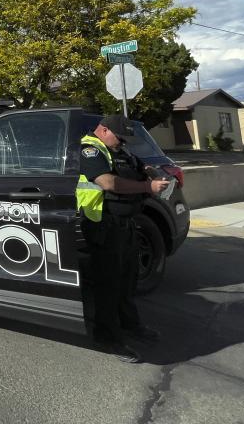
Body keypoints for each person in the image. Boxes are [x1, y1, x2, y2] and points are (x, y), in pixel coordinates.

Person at [76, 114, 170, 363]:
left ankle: (130, 326)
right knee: (107, 286)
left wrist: (149, 172)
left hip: (126, 225)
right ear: (104, 130)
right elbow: (107, 182)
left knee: (127, 279)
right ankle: (107, 340)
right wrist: (147, 188)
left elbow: (139, 167)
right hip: (102, 225)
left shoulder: (119, 150)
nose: (122, 142)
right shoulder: (90, 151)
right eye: (119, 137)